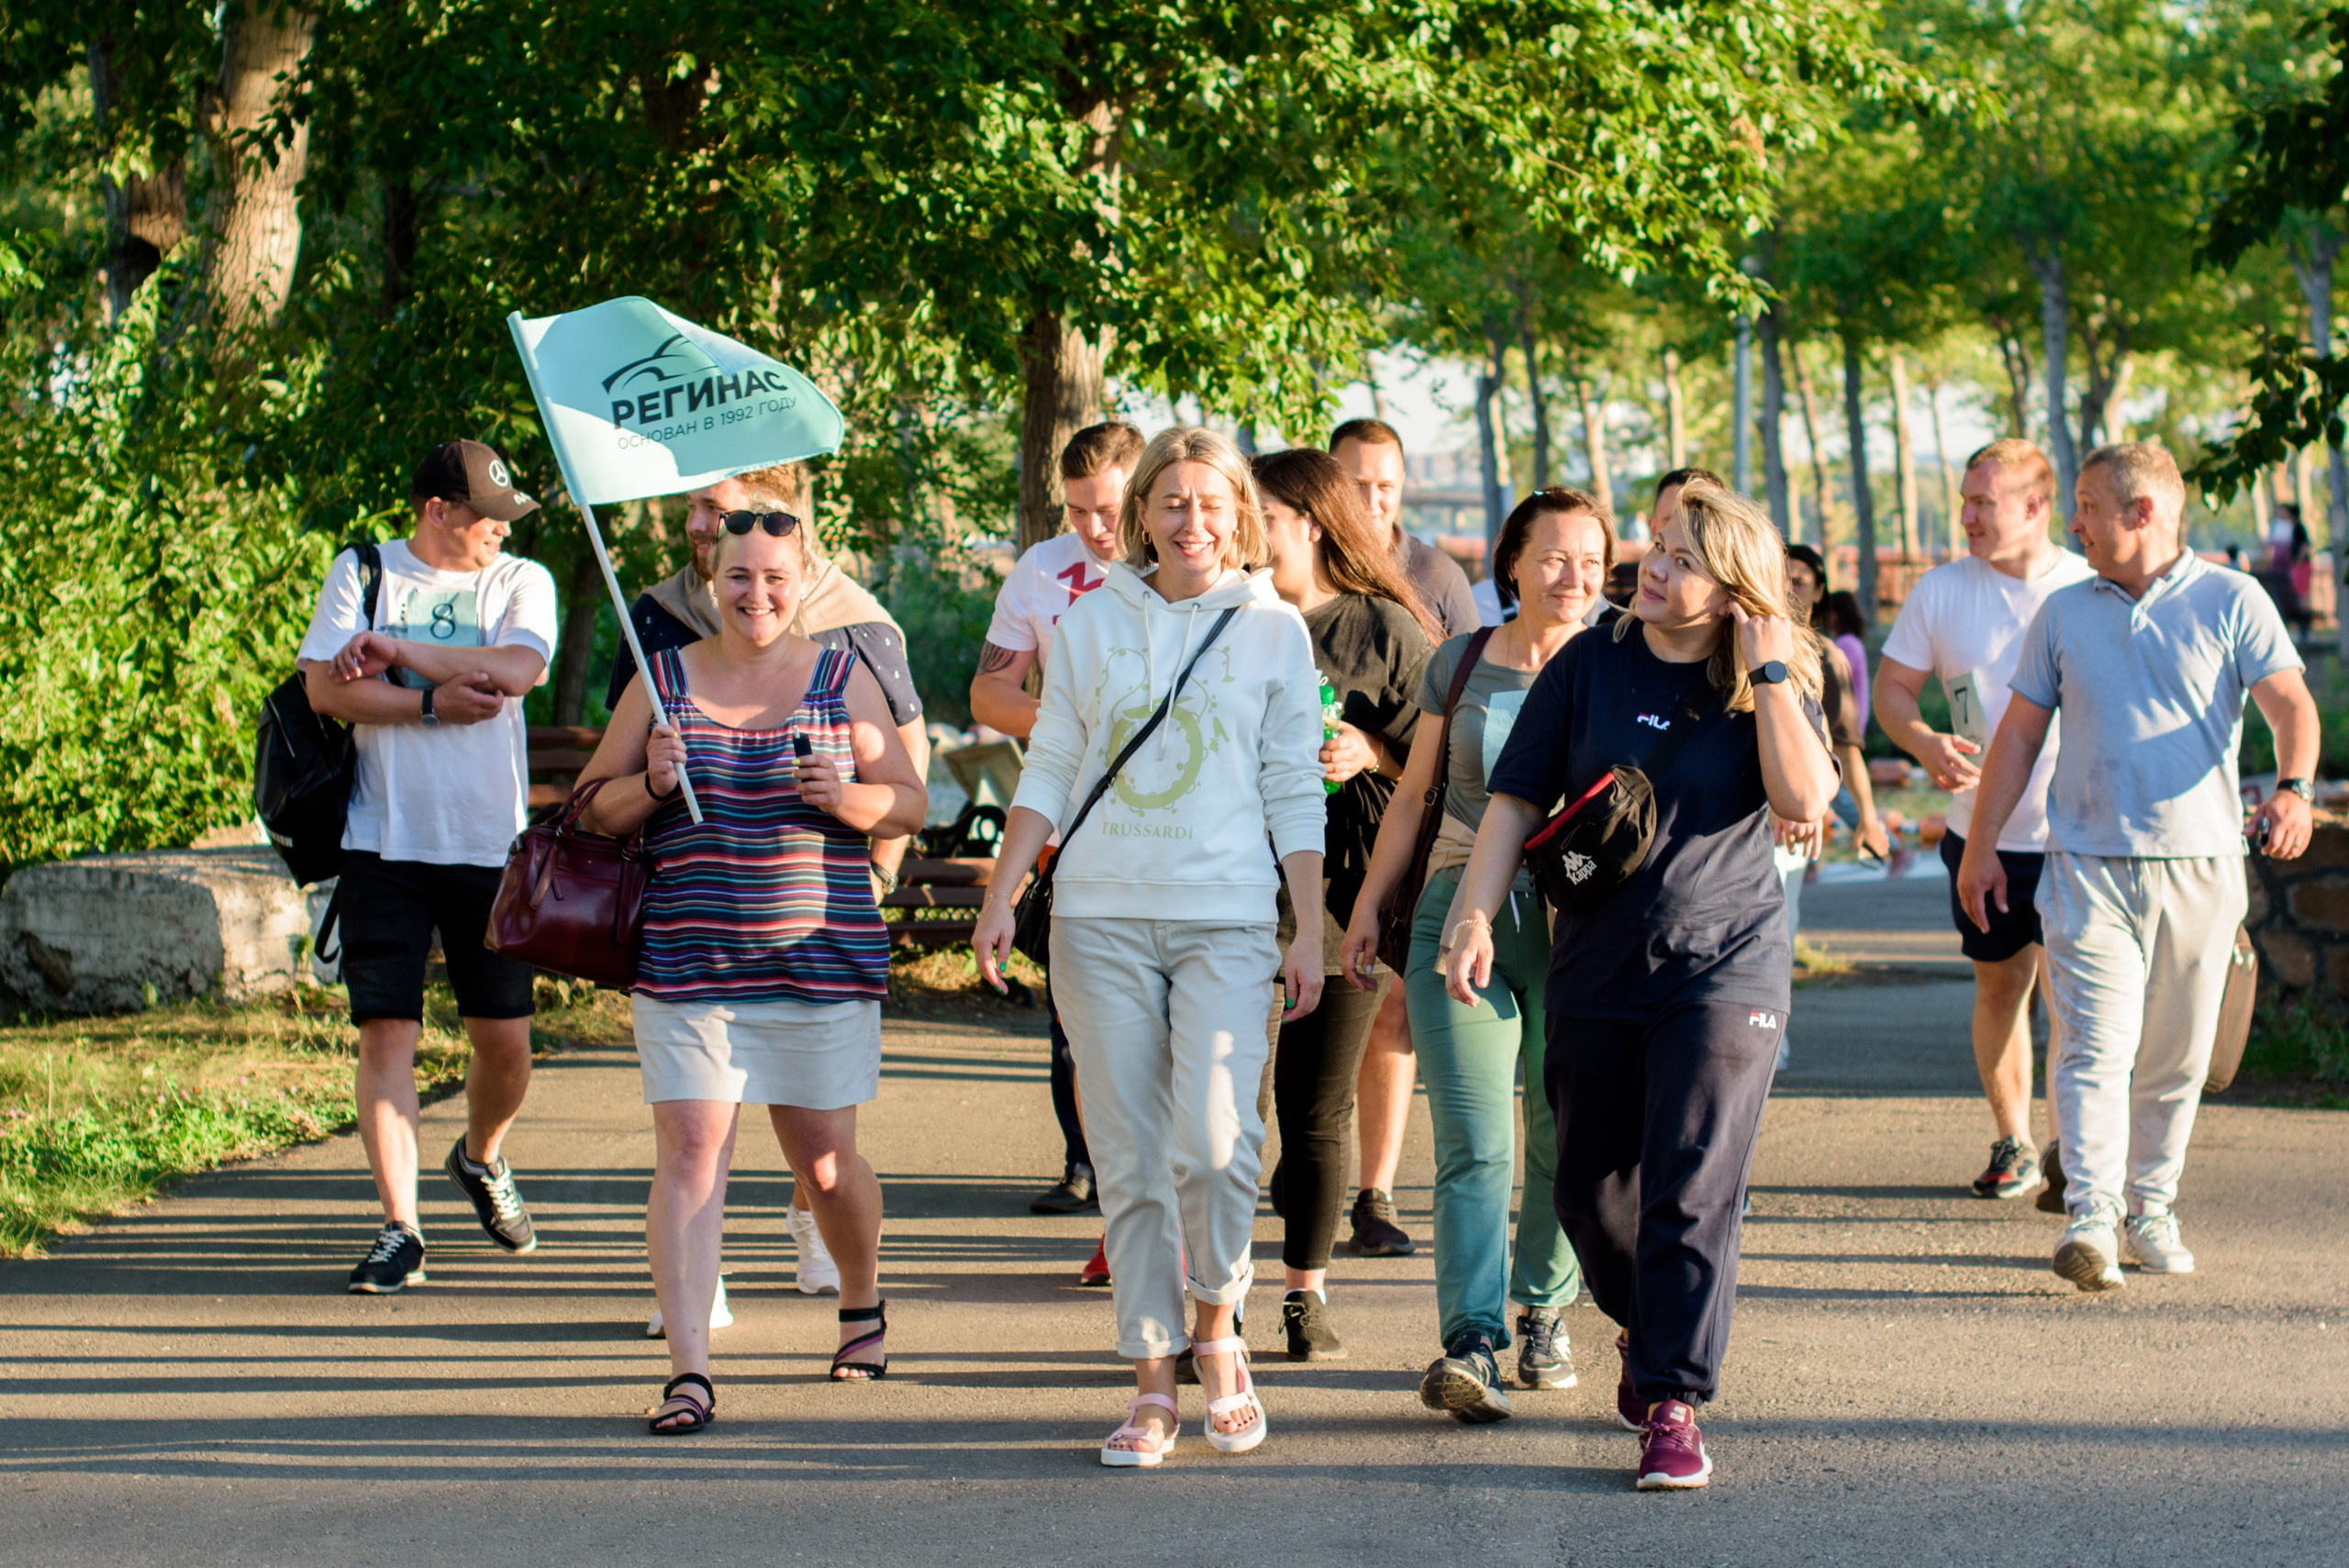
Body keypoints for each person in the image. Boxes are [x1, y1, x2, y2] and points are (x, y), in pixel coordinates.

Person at [1445, 480, 1837, 1491]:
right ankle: (1649, 1324)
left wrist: (1776, 669)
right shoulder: (1587, 662)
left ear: (1735, 586)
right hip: (1599, 964)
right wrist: (1475, 912)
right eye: (1655, 546)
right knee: (1588, 1188)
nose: (1651, 568)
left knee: (1692, 1182)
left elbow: (1802, 797)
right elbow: (1515, 797)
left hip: (1726, 962)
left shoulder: (1767, 676)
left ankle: (1672, 1399)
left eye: (1681, 558)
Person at [972, 426, 1326, 1467]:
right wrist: (1004, 893)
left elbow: (1292, 784)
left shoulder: (1272, 629)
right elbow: (1051, 765)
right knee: (1127, 1158)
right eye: (1172, 501)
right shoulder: (1087, 621)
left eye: (1211, 501)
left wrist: (1306, 922)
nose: (1192, 520)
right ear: (1142, 515)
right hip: (1097, 917)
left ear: (1240, 515)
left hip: (1226, 916)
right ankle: (1150, 1377)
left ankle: (1217, 1327)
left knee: (1218, 1146)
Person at [576, 508, 928, 1431]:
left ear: (803, 574)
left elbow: (912, 801)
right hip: (688, 961)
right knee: (692, 1157)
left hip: (817, 957)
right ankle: (688, 1371)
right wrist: (651, 782)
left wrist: (853, 797)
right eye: (739, 575)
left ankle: (860, 1298)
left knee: (823, 1160)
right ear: (711, 576)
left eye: (775, 575)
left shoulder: (839, 673)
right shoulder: (662, 678)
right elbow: (589, 811)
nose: (756, 593)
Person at [1957, 441, 2317, 1292]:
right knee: (2091, 1043)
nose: (2072, 521)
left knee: (2177, 1054)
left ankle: (2151, 1207)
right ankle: (2091, 1214)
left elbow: (2290, 702)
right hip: (2085, 863)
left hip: (2200, 865)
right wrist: (1980, 845)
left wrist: (2295, 789)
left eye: (2086, 505)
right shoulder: (2064, 612)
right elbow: (2014, 736)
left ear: (2142, 512)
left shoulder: (2235, 598)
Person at [1339, 487, 1611, 1423]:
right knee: (1473, 1141)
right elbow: (1411, 797)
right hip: (1457, 914)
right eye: (1552, 556)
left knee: (1559, 1128)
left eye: (1591, 559)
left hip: (1578, 925)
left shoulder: (1617, 668)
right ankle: (1471, 1339)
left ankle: (1544, 1307)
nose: (1572, 576)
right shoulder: (1458, 665)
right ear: (1511, 565)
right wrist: (1371, 904)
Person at [300, 440, 557, 1294]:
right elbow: (326, 690)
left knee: (506, 1045)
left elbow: (519, 670)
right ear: (436, 511)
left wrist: (391, 646)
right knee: (388, 1033)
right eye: (485, 515)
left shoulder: (519, 581)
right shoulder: (364, 568)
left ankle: (481, 1156)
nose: (498, 530)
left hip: (489, 844)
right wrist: (428, 703)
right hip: (383, 840)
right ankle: (400, 1228)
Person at [1251, 447, 1435, 1363]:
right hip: (1228, 888)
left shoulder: (1385, 630)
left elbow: (1440, 769)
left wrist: (1370, 749)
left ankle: (1303, 1291)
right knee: (1217, 1112)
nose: (1244, 533)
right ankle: (1202, 1293)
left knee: (1312, 1108)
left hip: (1342, 893)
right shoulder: (1225, 618)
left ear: (1312, 523)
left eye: (1262, 517)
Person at [1876, 439, 2095, 1198]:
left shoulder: (2091, 586)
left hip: (2080, 836)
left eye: (1982, 502)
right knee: (2001, 988)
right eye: (1965, 499)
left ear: (2036, 506)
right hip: (1983, 836)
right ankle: (2014, 1141)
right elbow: (1892, 691)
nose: (1966, 515)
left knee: (2076, 996)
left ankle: (2076, 1152)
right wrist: (1923, 738)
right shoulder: (1940, 592)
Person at [970, 420, 1145, 1244]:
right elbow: (986, 693)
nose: (1093, 528)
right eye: (1077, 511)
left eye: (1105, 508)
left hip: (1178, 827)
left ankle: (1156, 1203)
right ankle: (1094, 1172)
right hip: (1072, 827)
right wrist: (1061, 720)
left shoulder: (1193, 559)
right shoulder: (1042, 572)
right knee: (1078, 1017)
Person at [1329, 418, 1477, 1257]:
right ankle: (1304, 1164)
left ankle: (1374, 1190)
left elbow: (1460, 713)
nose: (1374, 502)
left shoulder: (1435, 576)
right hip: (1303, 827)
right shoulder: (1292, 564)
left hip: (1404, 806)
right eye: (1356, 484)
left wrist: (1377, 752)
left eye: (1387, 486)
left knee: (1392, 1001)